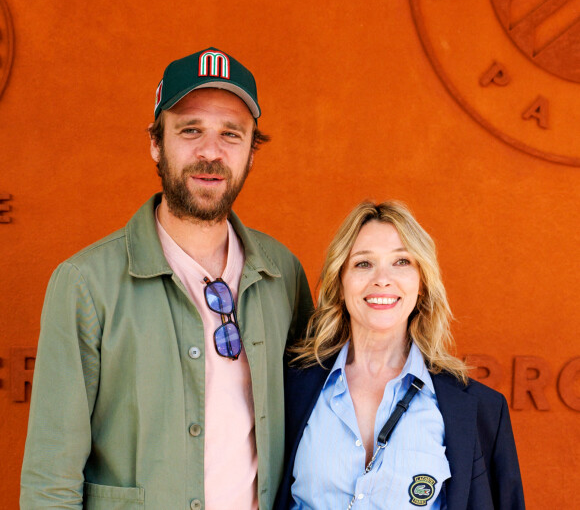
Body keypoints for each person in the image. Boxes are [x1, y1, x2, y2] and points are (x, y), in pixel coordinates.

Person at [21, 47, 313, 510]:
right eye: (190, 130)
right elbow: (50, 479)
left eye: (231, 135)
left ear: (252, 152)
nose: (211, 153)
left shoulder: (283, 273)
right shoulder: (85, 284)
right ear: (156, 143)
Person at [275, 201, 525, 510]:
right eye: (363, 263)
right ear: (340, 282)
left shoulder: (480, 410)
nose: (382, 278)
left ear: (422, 284)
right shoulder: (287, 390)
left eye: (402, 262)